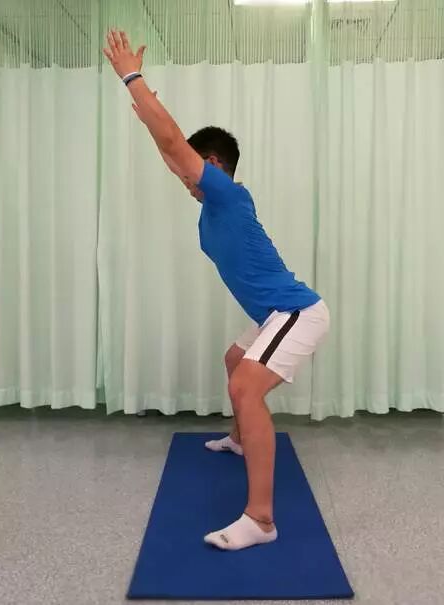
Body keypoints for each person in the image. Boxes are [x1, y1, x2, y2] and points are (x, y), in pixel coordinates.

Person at [104, 30, 330, 551]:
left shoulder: (227, 195)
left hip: (298, 312)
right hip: (275, 314)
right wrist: (149, 119)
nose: (184, 180)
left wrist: (132, 78)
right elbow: (171, 153)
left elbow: (174, 147)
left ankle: (261, 520)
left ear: (215, 167)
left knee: (246, 387)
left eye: (193, 170)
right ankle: (239, 439)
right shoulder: (212, 204)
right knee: (235, 359)